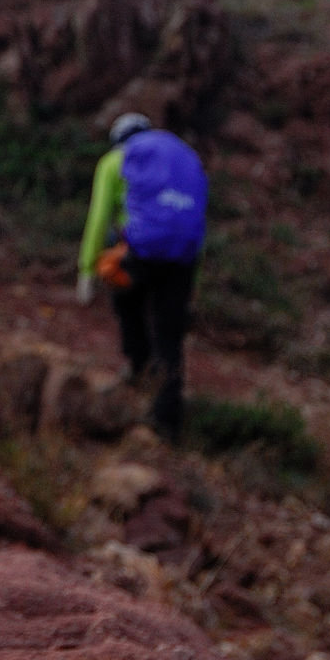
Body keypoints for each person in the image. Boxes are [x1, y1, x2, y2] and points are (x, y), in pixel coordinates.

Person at [76, 112, 208, 440]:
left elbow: (99, 218)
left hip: (140, 252)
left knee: (126, 299)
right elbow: (195, 221)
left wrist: (87, 269)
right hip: (182, 257)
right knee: (170, 336)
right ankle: (167, 422)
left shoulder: (114, 161)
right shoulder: (181, 159)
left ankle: (137, 366)